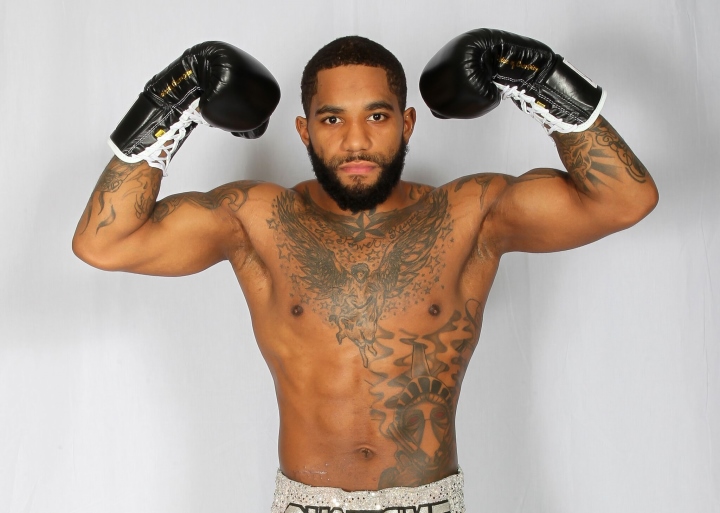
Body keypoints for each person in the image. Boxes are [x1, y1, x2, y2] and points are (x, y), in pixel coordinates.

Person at [72, 30, 658, 513]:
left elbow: (624, 200)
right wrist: (169, 101)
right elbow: (104, 242)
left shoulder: (466, 214)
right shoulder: (259, 219)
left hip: (430, 502)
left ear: (407, 123)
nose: (356, 141)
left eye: (377, 116)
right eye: (331, 120)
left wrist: (541, 78)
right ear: (304, 130)